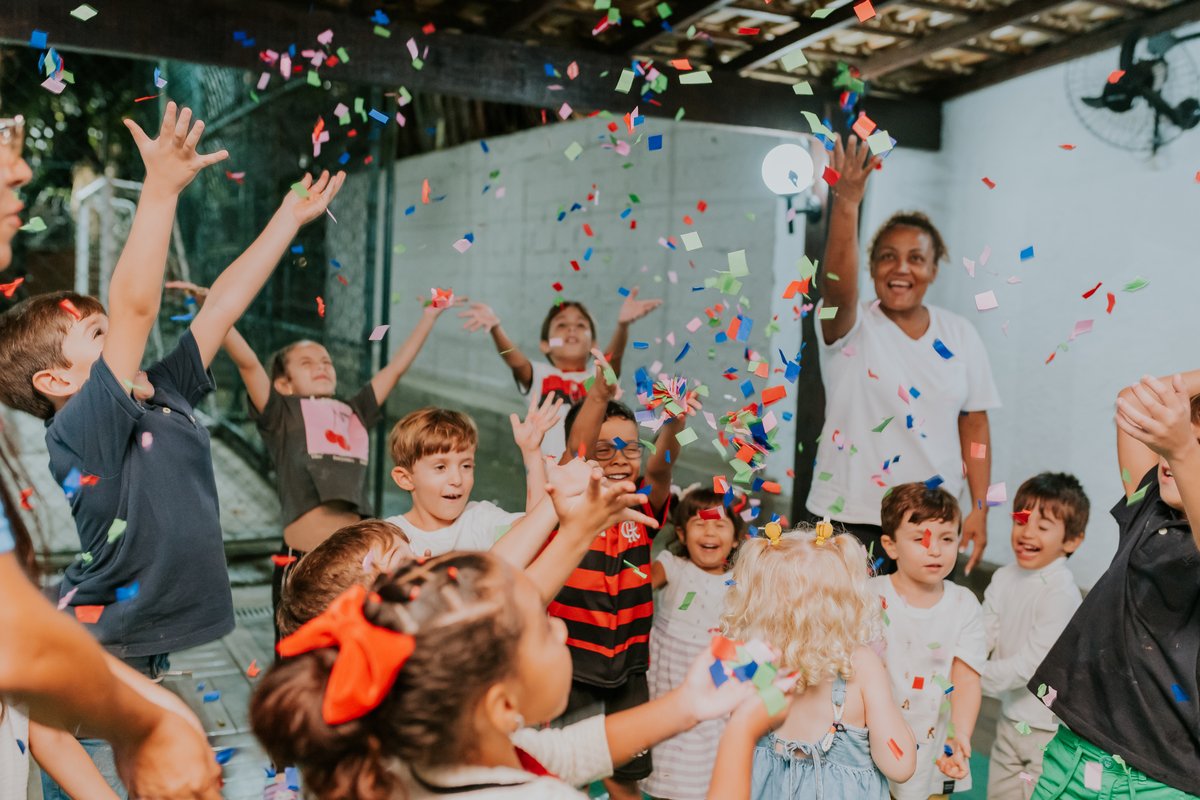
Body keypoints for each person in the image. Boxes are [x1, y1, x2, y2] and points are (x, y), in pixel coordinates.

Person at [0, 104, 221, 800]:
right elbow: (133, 310)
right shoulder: (86, 422)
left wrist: (153, 721)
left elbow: (20, 631)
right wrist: (157, 193)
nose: (23, 170)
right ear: (57, 381)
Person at [248, 550, 766, 800]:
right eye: (543, 628)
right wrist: (741, 728)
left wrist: (689, 705)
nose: (561, 630)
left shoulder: (402, 757)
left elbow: (561, 754)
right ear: (501, 706)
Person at [166, 283, 462, 640]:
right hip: (300, 561)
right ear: (284, 383)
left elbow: (396, 368)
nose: (321, 366)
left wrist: (429, 316)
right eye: (306, 364)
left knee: (362, 652)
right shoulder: (281, 412)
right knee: (297, 655)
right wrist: (215, 308)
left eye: (326, 361)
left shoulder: (354, 411)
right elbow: (247, 362)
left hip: (360, 566)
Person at [811, 134, 1000, 575]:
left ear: (934, 270)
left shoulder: (961, 333)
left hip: (931, 521)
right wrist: (847, 203)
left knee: (923, 638)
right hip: (851, 516)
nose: (901, 268)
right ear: (871, 266)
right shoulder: (850, 326)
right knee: (845, 641)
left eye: (917, 258)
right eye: (888, 257)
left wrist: (979, 508)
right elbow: (837, 283)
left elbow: (975, 425)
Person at [1028, 371, 1200, 800]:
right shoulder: (1149, 507)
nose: (1169, 457)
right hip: (1072, 759)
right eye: (1170, 442)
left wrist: (1183, 449)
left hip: (1159, 785)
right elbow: (1130, 402)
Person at [278, 460, 657, 635]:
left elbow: (488, 569)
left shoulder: (404, 630)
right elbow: (510, 597)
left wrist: (552, 505)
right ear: (368, 610)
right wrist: (577, 531)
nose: (424, 556)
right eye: (403, 559)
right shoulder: (422, 652)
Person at [547, 367, 698, 800]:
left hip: (630, 668)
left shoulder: (643, 507)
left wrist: (674, 425)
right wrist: (596, 398)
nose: (618, 458)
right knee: (561, 774)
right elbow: (575, 451)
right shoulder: (569, 505)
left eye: (630, 447)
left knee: (623, 779)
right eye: (604, 448)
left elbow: (663, 468)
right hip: (570, 667)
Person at [719, 525, 916, 800]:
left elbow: (736, 745)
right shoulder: (860, 664)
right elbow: (900, 764)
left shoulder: (753, 662)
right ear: (847, 601)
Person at [870, 483, 985, 800]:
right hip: (870, 744)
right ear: (891, 546)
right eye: (921, 539)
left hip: (935, 748)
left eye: (947, 539)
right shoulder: (868, 597)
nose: (935, 550)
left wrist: (960, 735)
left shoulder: (964, 605)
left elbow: (966, 680)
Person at [982, 473, 1087, 800]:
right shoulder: (1003, 577)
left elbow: (1032, 666)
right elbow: (983, 635)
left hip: (1050, 728)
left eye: (1042, 527)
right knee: (999, 793)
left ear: (1071, 541)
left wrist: (971, 678)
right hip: (1010, 715)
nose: (1026, 533)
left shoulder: (1061, 592)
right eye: (1021, 521)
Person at [383, 402, 584, 572]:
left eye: (466, 466)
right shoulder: (388, 538)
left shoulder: (480, 518)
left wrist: (531, 452)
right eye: (440, 467)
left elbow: (534, 528)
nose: (457, 479)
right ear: (405, 478)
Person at [458, 292, 661, 459]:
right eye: (561, 325)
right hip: (550, 475)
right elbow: (513, 360)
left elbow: (612, 360)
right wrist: (495, 328)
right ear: (545, 345)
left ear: (593, 345)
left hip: (591, 468)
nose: (572, 328)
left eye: (581, 325)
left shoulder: (596, 377)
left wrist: (622, 326)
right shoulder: (539, 375)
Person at [642, 488, 748, 800]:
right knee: (670, 752)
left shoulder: (740, 579)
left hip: (717, 677)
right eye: (699, 524)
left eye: (719, 524)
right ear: (681, 532)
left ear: (737, 536)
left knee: (709, 753)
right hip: (671, 679)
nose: (709, 531)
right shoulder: (673, 565)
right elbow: (640, 581)